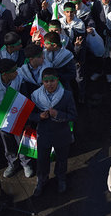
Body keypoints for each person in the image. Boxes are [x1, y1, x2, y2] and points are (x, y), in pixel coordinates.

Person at [31, 67, 77, 196]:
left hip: (61, 134)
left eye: (52, 81)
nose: (49, 84)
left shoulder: (66, 95)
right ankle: (41, 180)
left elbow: (73, 115)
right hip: (44, 135)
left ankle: (61, 178)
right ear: (42, 82)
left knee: (62, 159)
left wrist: (58, 114)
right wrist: (39, 117)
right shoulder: (35, 96)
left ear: (57, 80)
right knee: (42, 160)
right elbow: (30, 115)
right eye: (46, 81)